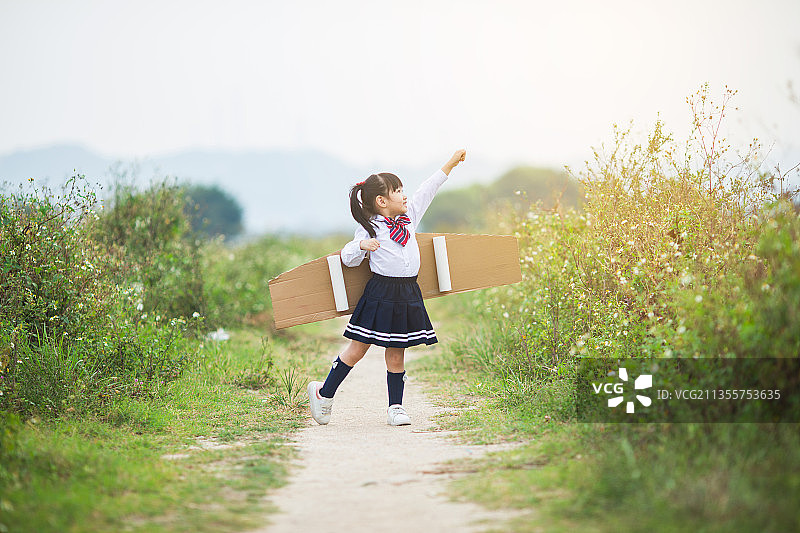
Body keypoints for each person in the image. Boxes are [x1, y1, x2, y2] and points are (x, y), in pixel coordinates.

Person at [307, 149, 467, 426]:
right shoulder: (369, 227)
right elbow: (346, 257)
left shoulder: (410, 217)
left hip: (407, 293)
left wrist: (450, 164)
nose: (405, 195)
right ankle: (324, 392)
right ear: (381, 201)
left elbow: (428, 189)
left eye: (404, 189)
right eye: (398, 190)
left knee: (397, 351)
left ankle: (396, 407)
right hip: (380, 294)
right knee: (358, 349)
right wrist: (361, 246)